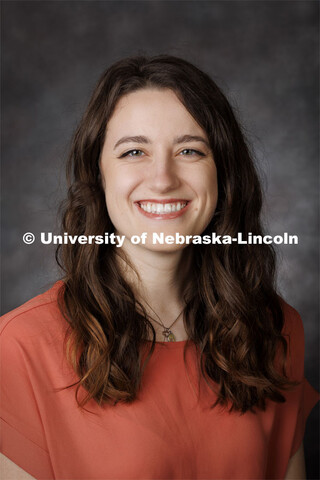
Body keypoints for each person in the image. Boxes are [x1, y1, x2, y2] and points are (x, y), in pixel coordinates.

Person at [0, 55, 319, 480]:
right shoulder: (18, 349)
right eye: (134, 151)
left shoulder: (276, 329)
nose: (163, 178)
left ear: (223, 174)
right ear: (98, 175)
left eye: (190, 150)